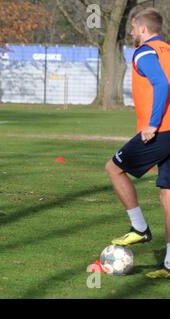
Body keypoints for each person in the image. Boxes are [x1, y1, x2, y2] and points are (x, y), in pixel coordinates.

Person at [105, 8, 170, 279]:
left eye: (132, 29)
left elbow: (162, 83)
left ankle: (140, 228)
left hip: (162, 131)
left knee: (113, 168)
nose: (131, 34)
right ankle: (169, 263)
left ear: (143, 29)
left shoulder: (144, 51)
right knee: (168, 195)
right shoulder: (169, 50)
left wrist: (153, 123)